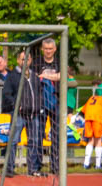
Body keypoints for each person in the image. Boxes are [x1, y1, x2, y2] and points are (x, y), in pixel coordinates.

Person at [4, 50, 42, 177]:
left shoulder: (34, 76)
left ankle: (32, 168)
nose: (25, 61)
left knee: (34, 141)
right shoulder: (12, 76)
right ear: (18, 60)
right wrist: (16, 105)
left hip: (33, 114)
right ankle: (9, 168)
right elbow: (7, 94)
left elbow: (39, 93)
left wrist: (39, 106)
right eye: (22, 59)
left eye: (28, 59)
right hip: (19, 115)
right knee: (13, 141)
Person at [34, 38, 64, 176]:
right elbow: (35, 77)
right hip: (40, 102)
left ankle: (55, 165)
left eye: (50, 48)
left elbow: (63, 76)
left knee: (56, 136)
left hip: (57, 102)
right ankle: (37, 165)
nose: (48, 51)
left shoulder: (60, 62)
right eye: (46, 48)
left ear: (55, 49)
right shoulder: (37, 62)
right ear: (42, 49)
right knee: (39, 134)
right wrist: (53, 76)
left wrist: (45, 76)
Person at [79, 89, 102, 170]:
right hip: (97, 119)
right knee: (98, 141)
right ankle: (98, 165)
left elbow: (82, 112)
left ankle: (86, 163)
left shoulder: (91, 98)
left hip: (88, 119)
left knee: (90, 140)